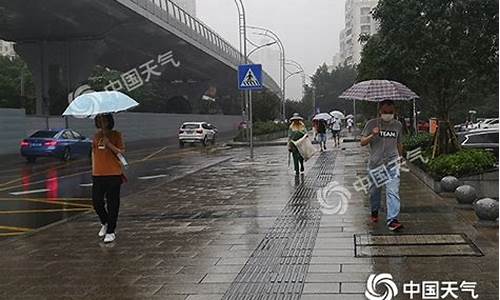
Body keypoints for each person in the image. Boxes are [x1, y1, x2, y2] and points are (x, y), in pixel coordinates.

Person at [360, 100, 403, 231]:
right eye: (385, 112)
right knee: (374, 192)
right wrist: (373, 135)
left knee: (393, 191)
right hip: (376, 164)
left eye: (390, 112)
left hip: (392, 163)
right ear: (380, 111)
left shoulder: (397, 125)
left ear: (394, 112)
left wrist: (400, 158)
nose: (388, 114)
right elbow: (362, 142)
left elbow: (399, 143)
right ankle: (374, 211)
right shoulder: (371, 124)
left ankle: (392, 220)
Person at [92, 114, 125, 243]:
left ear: (109, 121)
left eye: (104, 119)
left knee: (112, 204)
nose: (102, 122)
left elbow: (121, 152)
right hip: (98, 174)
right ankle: (105, 222)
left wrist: (109, 144)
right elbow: (94, 154)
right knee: (97, 202)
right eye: (99, 120)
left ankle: (111, 231)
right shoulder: (96, 136)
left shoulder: (116, 135)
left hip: (113, 174)